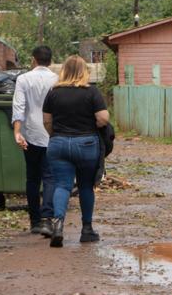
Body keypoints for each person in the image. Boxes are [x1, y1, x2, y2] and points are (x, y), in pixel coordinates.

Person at [42, 56, 110, 248]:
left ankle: (58, 225)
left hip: (58, 144)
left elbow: (47, 121)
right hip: (86, 144)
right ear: (83, 71)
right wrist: (92, 125)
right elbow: (103, 119)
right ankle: (86, 230)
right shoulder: (91, 92)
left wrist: (56, 135)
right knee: (86, 186)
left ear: (63, 70)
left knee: (62, 185)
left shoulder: (53, 92)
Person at [11, 45, 58, 236]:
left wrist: (17, 132)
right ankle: (47, 219)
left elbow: (19, 107)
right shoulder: (57, 80)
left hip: (30, 134)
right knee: (49, 178)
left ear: (33, 60)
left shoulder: (23, 79)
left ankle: (35, 222)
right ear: (51, 61)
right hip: (52, 134)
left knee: (32, 178)